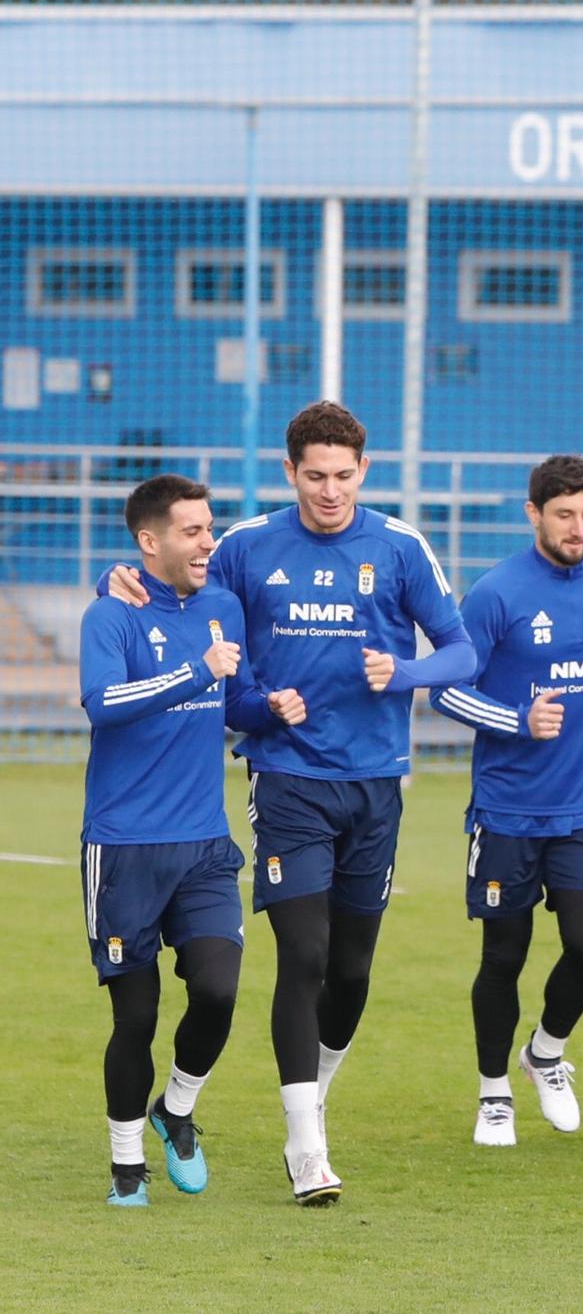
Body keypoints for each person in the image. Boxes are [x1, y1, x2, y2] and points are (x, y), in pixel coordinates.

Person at [105, 401, 474, 1205]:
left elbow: (463, 649)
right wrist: (118, 579)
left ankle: (276, 1093)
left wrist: (401, 674)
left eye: (344, 476)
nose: (330, 491)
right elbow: (177, 582)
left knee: (351, 973)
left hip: (377, 784)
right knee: (302, 956)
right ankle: (307, 1149)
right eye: (315, 476)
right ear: (290, 472)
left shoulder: (402, 546)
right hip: (287, 780)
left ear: (364, 471)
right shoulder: (246, 548)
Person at [81, 475, 293, 1206]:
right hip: (125, 848)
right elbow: (105, 705)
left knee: (218, 989)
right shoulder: (111, 613)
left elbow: (231, 697)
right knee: (134, 1015)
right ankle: (125, 1167)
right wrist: (190, 671)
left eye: (211, 527)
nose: (210, 541)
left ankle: (175, 1106)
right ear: (150, 541)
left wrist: (267, 706)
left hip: (205, 843)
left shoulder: (222, 605)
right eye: (194, 530)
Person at [428, 456, 583, 1148]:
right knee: (504, 955)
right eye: (564, 515)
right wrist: (518, 720)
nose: (578, 529)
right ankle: (494, 1094)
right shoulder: (495, 594)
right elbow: (446, 690)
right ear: (533, 513)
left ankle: (545, 1051)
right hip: (508, 810)